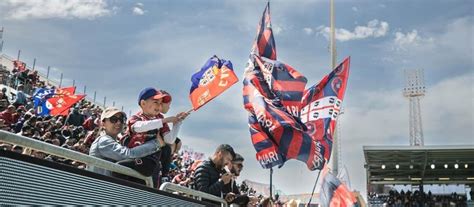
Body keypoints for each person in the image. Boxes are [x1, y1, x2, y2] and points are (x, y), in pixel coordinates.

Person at [121, 87, 188, 187]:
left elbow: (169, 139)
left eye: (160, 103)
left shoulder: (160, 119)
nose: (159, 106)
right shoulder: (137, 118)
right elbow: (138, 127)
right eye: (156, 102)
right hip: (135, 160)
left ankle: (165, 176)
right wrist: (163, 121)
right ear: (143, 104)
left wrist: (178, 122)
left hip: (152, 164)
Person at [87, 107, 163, 176]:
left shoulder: (117, 142)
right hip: (98, 188)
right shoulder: (103, 141)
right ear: (103, 124)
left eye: (121, 119)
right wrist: (156, 143)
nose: (118, 123)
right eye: (113, 119)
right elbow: (128, 154)